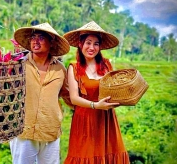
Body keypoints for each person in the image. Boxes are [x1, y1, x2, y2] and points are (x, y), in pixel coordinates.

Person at [63, 21, 130, 164]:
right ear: (80, 44)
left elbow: (113, 89)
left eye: (96, 44)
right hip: (85, 120)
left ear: (100, 47)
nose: (91, 47)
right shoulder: (73, 68)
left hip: (106, 118)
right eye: (88, 42)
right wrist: (95, 105)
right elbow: (74, 98)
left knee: (109, 154)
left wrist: (119, 99)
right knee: (85, 156)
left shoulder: (106, 65)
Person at [10, 22, 73, 164]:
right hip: (23, 130)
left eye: (41, 37)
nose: (35, 40)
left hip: (50, 129)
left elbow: (69, 96)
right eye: (33, 37)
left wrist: (91, 106)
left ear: (51, 43)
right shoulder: (19, 65)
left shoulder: (60, 69)